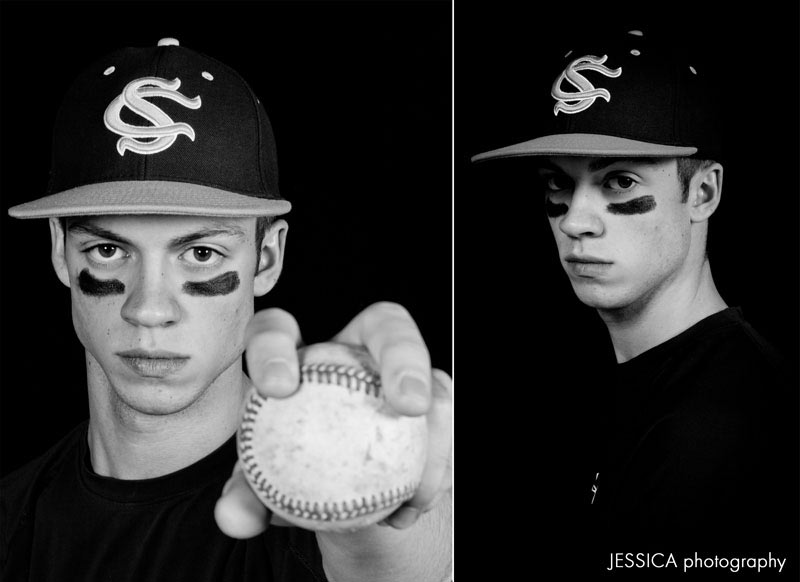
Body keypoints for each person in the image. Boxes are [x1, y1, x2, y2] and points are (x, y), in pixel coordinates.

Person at [0, 38, 452, 582]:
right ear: (59, 251)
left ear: (267, 256)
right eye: (108, 250)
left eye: (200, 254)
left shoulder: (330, 520)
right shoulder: (9, 517)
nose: (149, 309)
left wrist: (394, 519)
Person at [471, 27, 797, 577]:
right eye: (558, 183)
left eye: (619, 181)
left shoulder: (728, 429)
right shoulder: (615, 380)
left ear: (703, 194)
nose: (575, 221)